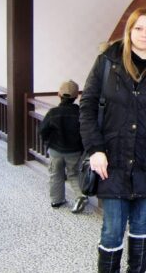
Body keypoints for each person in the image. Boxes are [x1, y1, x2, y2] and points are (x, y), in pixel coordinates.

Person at [79, 7, 146, 273]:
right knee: (113, 228)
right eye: (139, 28)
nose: (144, 34)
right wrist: (95, 149)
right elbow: (87, 107)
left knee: (141, 225)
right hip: (112, 158)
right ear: (129, 31)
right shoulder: (106, 62)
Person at [40, 79, 87, 213]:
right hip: (74, 150)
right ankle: (80, 196)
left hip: (56, 150)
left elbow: (43, 130)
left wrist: (47, 143)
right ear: (76, 96)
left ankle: (57, 200)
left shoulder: (53, 112)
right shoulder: (80, 113)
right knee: (73, 174)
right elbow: (85, 132)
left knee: (55, 174)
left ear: (59, 95)